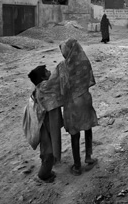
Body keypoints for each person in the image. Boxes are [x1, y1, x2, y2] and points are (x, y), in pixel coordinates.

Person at [39, 38, 98, 176]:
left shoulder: (62, 67)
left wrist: (40, 87)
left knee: (75, 134)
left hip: (71, 105)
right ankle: (88, 157)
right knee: (88, 127)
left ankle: (77, 166)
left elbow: (51, 85)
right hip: (85, 100)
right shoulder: (84, 61)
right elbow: (89, 79)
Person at [28, 65, 63, 183]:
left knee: (47, 149)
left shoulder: (40, 88)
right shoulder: (44, 87)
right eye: (47, 71)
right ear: (43, 77)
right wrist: (60, 67)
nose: (50, 72)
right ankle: (44, 175)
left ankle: (47, 169)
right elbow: (55, 80)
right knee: (48, 152)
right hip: (44, 126)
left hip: (44, 125)